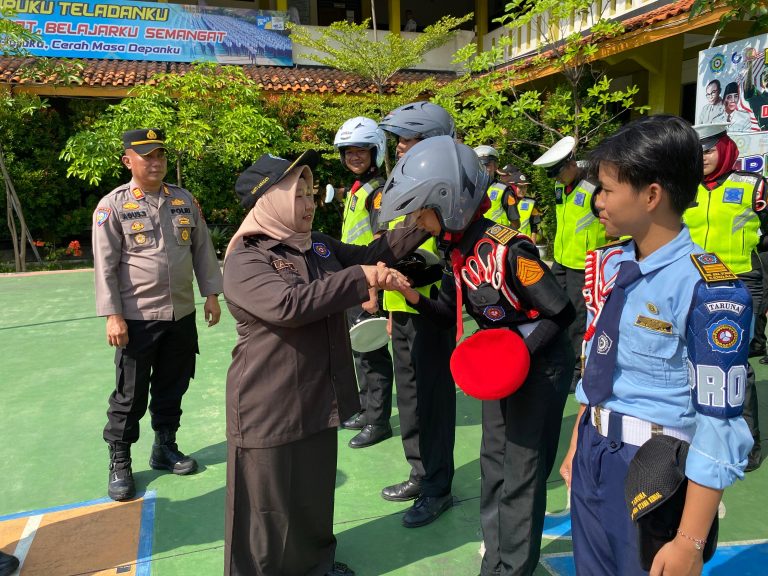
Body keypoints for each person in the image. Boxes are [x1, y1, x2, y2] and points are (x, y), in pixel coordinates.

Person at [559, 115, 754, 575]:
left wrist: (689, 540)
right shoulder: (611, 265)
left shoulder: (709, 291)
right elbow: (600, 365)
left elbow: (720, 424)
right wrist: (577, 445)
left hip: (652, 470)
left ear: (651, 195)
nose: (597, 200)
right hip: (594, 451)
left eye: (606, 189)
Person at [377, 135, 575, 575]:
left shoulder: (509, 248)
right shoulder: (458, 250)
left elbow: (560, 311)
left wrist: (516, 354)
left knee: (521, 474)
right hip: (501, 370)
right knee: (494, 467)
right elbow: (448, 310)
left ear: (448, 202)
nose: (418, 222)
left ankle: (513, 568)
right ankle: (496, 559)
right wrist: (410, 293)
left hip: (537, 369)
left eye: (421, 211)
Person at [222, 151, 426, 576]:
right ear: (269, 199)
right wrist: (362, 278)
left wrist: (419, 225)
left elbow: (370, 252)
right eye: (299, 194)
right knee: (268, 513)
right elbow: (287, 305)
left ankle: (316, 565)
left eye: (311, 192)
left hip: (317, 394)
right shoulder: (247, 256)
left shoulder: (315, 245)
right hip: (269, 403)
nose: (310, 203)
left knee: (313, 495)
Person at [92, 129, 223, 502]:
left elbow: (202, 250)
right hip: (136, 317)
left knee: (173, 385)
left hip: (181, 314)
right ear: (127, 161)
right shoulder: (113, 206)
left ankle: (165, 447)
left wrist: (211, 295)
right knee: (130, 394)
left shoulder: (183, 200)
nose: (156, 162)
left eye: (160, 155)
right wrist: (112, 315)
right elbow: (104, 266)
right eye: (147, 155)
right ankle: (120, 461)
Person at [376, 101, 457, 527]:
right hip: (402, 304)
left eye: (410, 139)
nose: (402, 147)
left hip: (432, 307)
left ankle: (438, 486)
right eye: (400, 140)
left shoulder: (448, 188)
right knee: (409, 396)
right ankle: (419, 471)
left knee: (434, 398)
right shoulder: (401, 181)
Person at [683, 123, 766, 471]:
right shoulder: (685, 189)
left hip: (741, 284)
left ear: (726, 148)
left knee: (734, 363)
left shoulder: (753, 186)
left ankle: (747, 443)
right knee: (693, 360)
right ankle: (700, 434)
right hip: (694, 283)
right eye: (698, 150)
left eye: (709, 148)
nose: (702, 156)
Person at [333, 116, 395, 448]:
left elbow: (380, 243)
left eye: (361, 151)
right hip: (352, 280)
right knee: (358, 349)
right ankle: (364, 407)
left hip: (367, 283)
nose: (355, 157)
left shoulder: (379, 192)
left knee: (373, 354)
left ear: (375, 151)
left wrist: (371, 292)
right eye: (349, 152)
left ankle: (379, 420)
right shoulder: (359, 189)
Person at [532, 137, 606, 389]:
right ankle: (559, 355)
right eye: (551, 174)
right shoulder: (560, 189)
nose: (555, 178)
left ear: (571, 164)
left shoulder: (594, 187)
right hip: (562, 261)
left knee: (577, 317)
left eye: (557, 172)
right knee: (553, 308)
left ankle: (578, 367)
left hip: (584, 264)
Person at [474, 146, 520, 228]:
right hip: (475, 238)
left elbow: (515, 223)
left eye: (487, 165)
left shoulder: (504, 190)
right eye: (480, 165)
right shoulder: (470, 189)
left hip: (497, 239)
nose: (484, 168)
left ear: (495, 166)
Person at [498, 164, 541, 243]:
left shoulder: (531, 203)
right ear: (513, 186)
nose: (523, 190)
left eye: (525, 187)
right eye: (520, 187)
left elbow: (534, 227)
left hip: (525, 242)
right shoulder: (505, 199)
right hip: (506, 241)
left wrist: (533, 246)